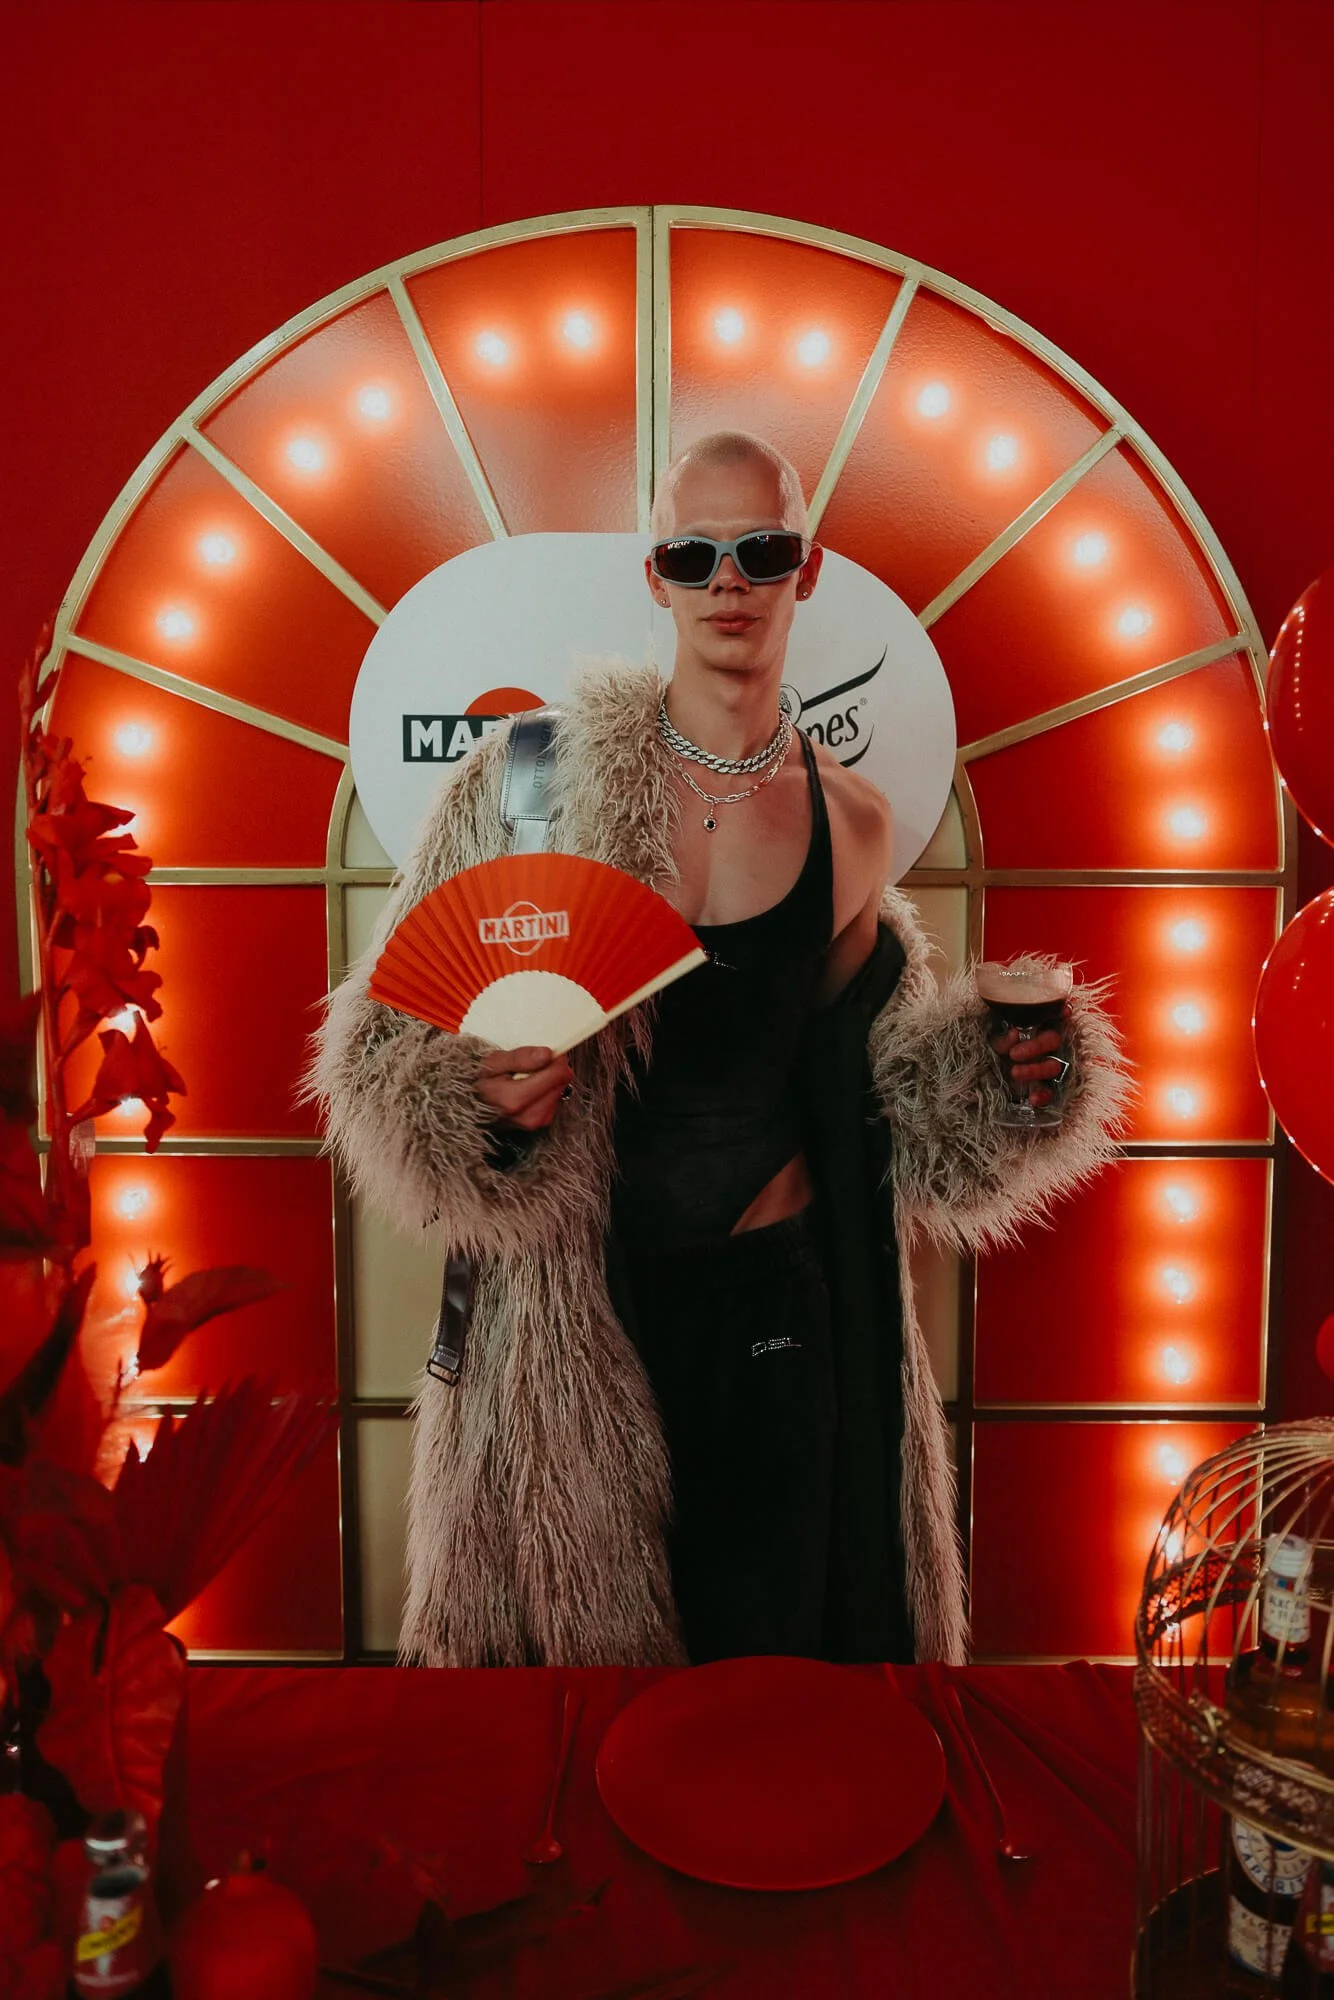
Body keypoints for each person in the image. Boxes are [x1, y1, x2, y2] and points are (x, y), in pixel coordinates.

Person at [307, 430, 1130, 1669]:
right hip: (573, 1320)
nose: (729, 581)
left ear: (806, 569)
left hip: (776, 1297)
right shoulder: (529, 781)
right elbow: (385, 1039)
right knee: (587, 1705)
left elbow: (870, 1087)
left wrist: (1001, 1079)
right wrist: (467, 1098)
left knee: (775, 1683)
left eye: (762, 551)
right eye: (695, 555)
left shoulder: (848, 820)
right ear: (656, 577)